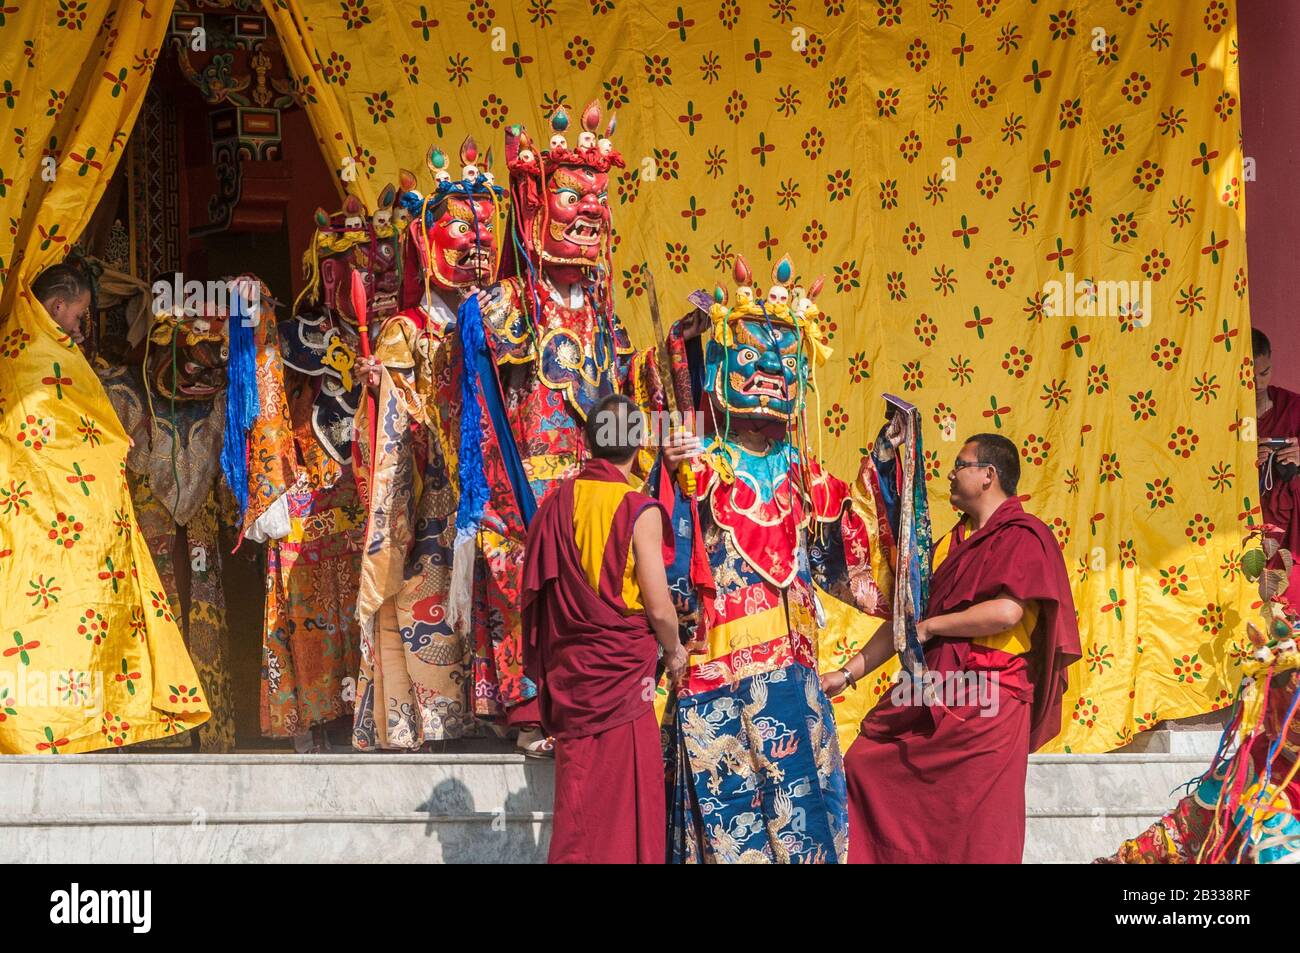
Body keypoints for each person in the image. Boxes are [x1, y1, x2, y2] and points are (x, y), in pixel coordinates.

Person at [659, 254, 898, 863]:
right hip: (714, 674)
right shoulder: (697, 463)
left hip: (793, 673)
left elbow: (846, 566)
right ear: (718, 365)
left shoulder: (805, 473)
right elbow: (665, 556)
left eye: (783, 362)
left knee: (805, 829)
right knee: (726, 831)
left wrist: (888, 464)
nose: (767, 372)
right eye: (750, 358)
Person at [826, 433, 1081, 863]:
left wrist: (930, 627)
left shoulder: (1025, 535)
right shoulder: (945, 545)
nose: (950, 473)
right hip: (935, 695)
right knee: (867, 765)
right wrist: (846, 674)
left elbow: (1006, 612)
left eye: (960, 465)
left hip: (990, 704)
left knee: (978, 829)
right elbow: (905, 624)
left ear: (988, 475)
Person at [0, 261, 211, 753]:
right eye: (79, 314)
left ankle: (85, 715)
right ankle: (49, 719)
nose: (82, 325)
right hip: (40, 523)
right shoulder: (33, 357)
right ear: (56, 307)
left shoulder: (51, 353)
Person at [521, 394, 685, 863]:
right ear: (638, 444)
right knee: (630, 797)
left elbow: (540, 596)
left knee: (580, 803)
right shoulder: (639, 507)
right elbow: (658, 606)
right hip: (621, 679)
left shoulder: (555, 503)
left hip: (576, 677)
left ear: (589, 441)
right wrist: (673, 651)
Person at [1254, 330, 1300, 559]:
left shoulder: (1292, 406)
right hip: (1240, 510)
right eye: (1250, 376)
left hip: (1286, 515)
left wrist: (1298, 456)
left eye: (1265, 373)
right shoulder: (1219, 410)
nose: (1258, 383)